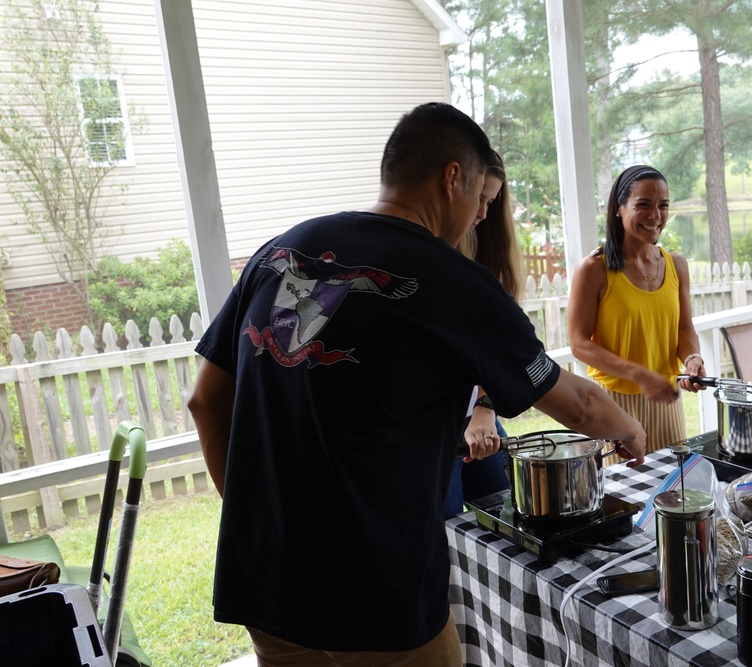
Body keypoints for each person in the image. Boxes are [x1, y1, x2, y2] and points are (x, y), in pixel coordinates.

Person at [187, 102, 646, 667]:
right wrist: (627, 426)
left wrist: (255, 516)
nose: (482, 218)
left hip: (265, 579)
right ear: (453, 177)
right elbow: (573, 401)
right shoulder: (457, 284)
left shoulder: (285, 253)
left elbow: (204, 398)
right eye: (482, 202)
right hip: (377, 593)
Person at [567, 164, 705, 462]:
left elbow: (684, 329)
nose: (655, 216)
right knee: (623, 499)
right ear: (619, 207)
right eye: (643, 205)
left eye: (663, 206)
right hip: (613, 405)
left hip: (667, 403)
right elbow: (578, 344)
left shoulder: (676, 264)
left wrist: (692, 359)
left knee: (674, 492)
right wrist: (640, 375)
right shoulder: (594, 268)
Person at [444, 151, 525, 518]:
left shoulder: (491, 254)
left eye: (492, 202)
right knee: (445, 533)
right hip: (435, 429)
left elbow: (502, 352)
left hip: (479, 414)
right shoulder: (431, 256)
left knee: (509, 512)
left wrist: (485, 408)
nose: (483, 213)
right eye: (480, 199)